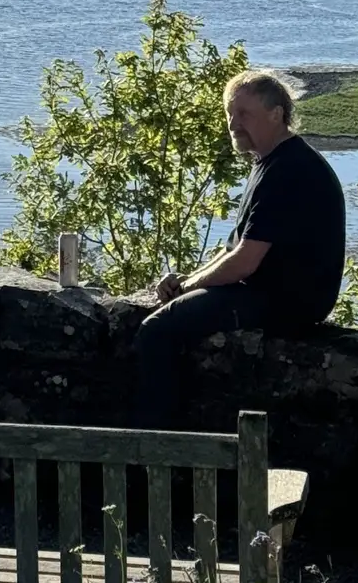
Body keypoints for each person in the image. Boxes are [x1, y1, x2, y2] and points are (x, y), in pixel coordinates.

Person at [132, 69, 345, 428]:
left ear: (276, 114)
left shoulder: (288, 171)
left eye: (243, 113)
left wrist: (186, 288)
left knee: (156, 331)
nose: (233, 123)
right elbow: (237, 247)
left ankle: (156, 443)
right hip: (274, 293)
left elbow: (245, 262)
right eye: (230, 113)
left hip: (287, 301)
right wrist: (191, 279)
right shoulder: (274, 161)